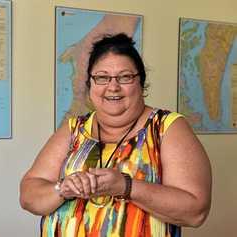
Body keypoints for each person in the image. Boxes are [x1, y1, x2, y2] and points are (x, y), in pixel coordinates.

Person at [19, 33, 212, 237]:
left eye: (125, 77)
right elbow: (28, 196)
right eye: (102, 77)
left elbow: (195, 212)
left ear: (141, 82)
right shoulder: (73, 128)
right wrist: (63, 188)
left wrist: (125, 186)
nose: (112, 87)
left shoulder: (166, 127)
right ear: (90, 84)